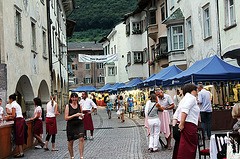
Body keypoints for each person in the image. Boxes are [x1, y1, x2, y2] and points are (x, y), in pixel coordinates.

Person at [172, 83, 200, 159]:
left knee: (182, 148)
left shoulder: (183, 99)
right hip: (189, 126)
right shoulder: (191, 98)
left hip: (183, 125)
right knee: (188, 149)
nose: (196, 92)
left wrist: (175, 127)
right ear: (192, 90)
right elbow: (185, 110)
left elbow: (176, 115)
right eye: (195, 90)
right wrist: (182, 124)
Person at [6, 94, 27, 158]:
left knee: (19, 136)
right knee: (20, 136)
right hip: (21, 120)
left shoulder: (13, 105)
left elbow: (13, 115)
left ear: (11, 99)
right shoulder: (17, 104)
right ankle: (20, 151)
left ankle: (21, 152)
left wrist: (7, 117)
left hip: (18, 121)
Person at [65, 93, 85, 159]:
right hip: (71, 125)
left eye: (75, 97)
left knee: (81, 138)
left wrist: (81, 116)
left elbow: (82, 115)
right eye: (73, 97)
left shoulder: (80, 106)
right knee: (71, 141)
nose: (74, 99)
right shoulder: (68, 106)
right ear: (71, 98)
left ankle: (81, 156)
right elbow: (66, 118)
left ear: (77, 98)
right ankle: (72, 156)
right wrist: (75, 115)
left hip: (79, 124)